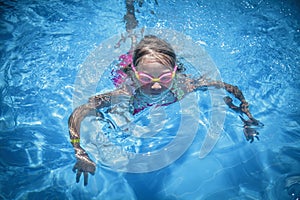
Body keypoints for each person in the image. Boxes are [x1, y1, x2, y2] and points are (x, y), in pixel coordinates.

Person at [68, 35, 263, 186]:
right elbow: (78, 113)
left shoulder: (183, 86)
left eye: (165, 78)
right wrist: (80, 151)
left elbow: (230, 89)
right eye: (145, 78)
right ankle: (130, 13)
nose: (155, 87)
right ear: (135, 75)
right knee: (131, 36)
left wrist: (246, 118)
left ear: (174, 73)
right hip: (129, 66)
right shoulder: (125, 93)